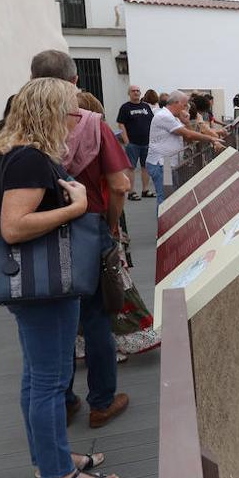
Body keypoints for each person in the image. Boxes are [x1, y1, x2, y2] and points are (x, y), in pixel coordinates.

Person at [0, 78, 120, 478]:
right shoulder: (29, 159)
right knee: (48, 380)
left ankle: (50, 459)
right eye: (70, 111)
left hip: (35, 288)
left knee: (36, 377)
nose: (75, 120)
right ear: (49, 113)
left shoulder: (12, 153)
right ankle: (60, 477)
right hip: (46, 288)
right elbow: (13, 227)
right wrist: (77, 207)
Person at [30, 49, 132, 430]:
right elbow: (120, 184)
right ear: (74, 83)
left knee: (53, 321)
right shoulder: (90, 122)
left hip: (38, 233)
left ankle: (63, 399)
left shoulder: (20, 125)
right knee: (95, 319)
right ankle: (101, 403)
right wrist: (110, 225)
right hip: (88, 230)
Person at [74, 93, 161, 361]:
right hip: (99, 216)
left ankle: (83, 342)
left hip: (76, 222)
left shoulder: (61, 140)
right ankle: (113, 340)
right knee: (110, 281)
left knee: (85, 286)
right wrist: (112, 224)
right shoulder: (97, 135)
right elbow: (120, 185)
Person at [147, 91, 225, 204]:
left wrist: (186, 122)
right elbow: (188, 134)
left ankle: (169, 221)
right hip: (163, 163)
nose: (186, 109)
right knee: (165, 199)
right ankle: (165, 221)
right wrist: (211, 139)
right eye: (184, 105)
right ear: (176, 103)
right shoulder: (164, 116)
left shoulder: (174, 117)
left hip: (168, 162)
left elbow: (188, 138)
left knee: (170, 198)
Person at [116, 85, 155, 200]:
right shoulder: (125, 107)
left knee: (145, 167)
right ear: (129, 93)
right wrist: (126, 140)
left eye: (138, 91)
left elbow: (152, 121)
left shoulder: (146, 106)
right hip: (132, 143)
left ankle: (145, 190)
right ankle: (131, 192)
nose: (136, 93)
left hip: (147, 143)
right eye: (133, 91)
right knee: (131, 168)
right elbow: (121, 124)